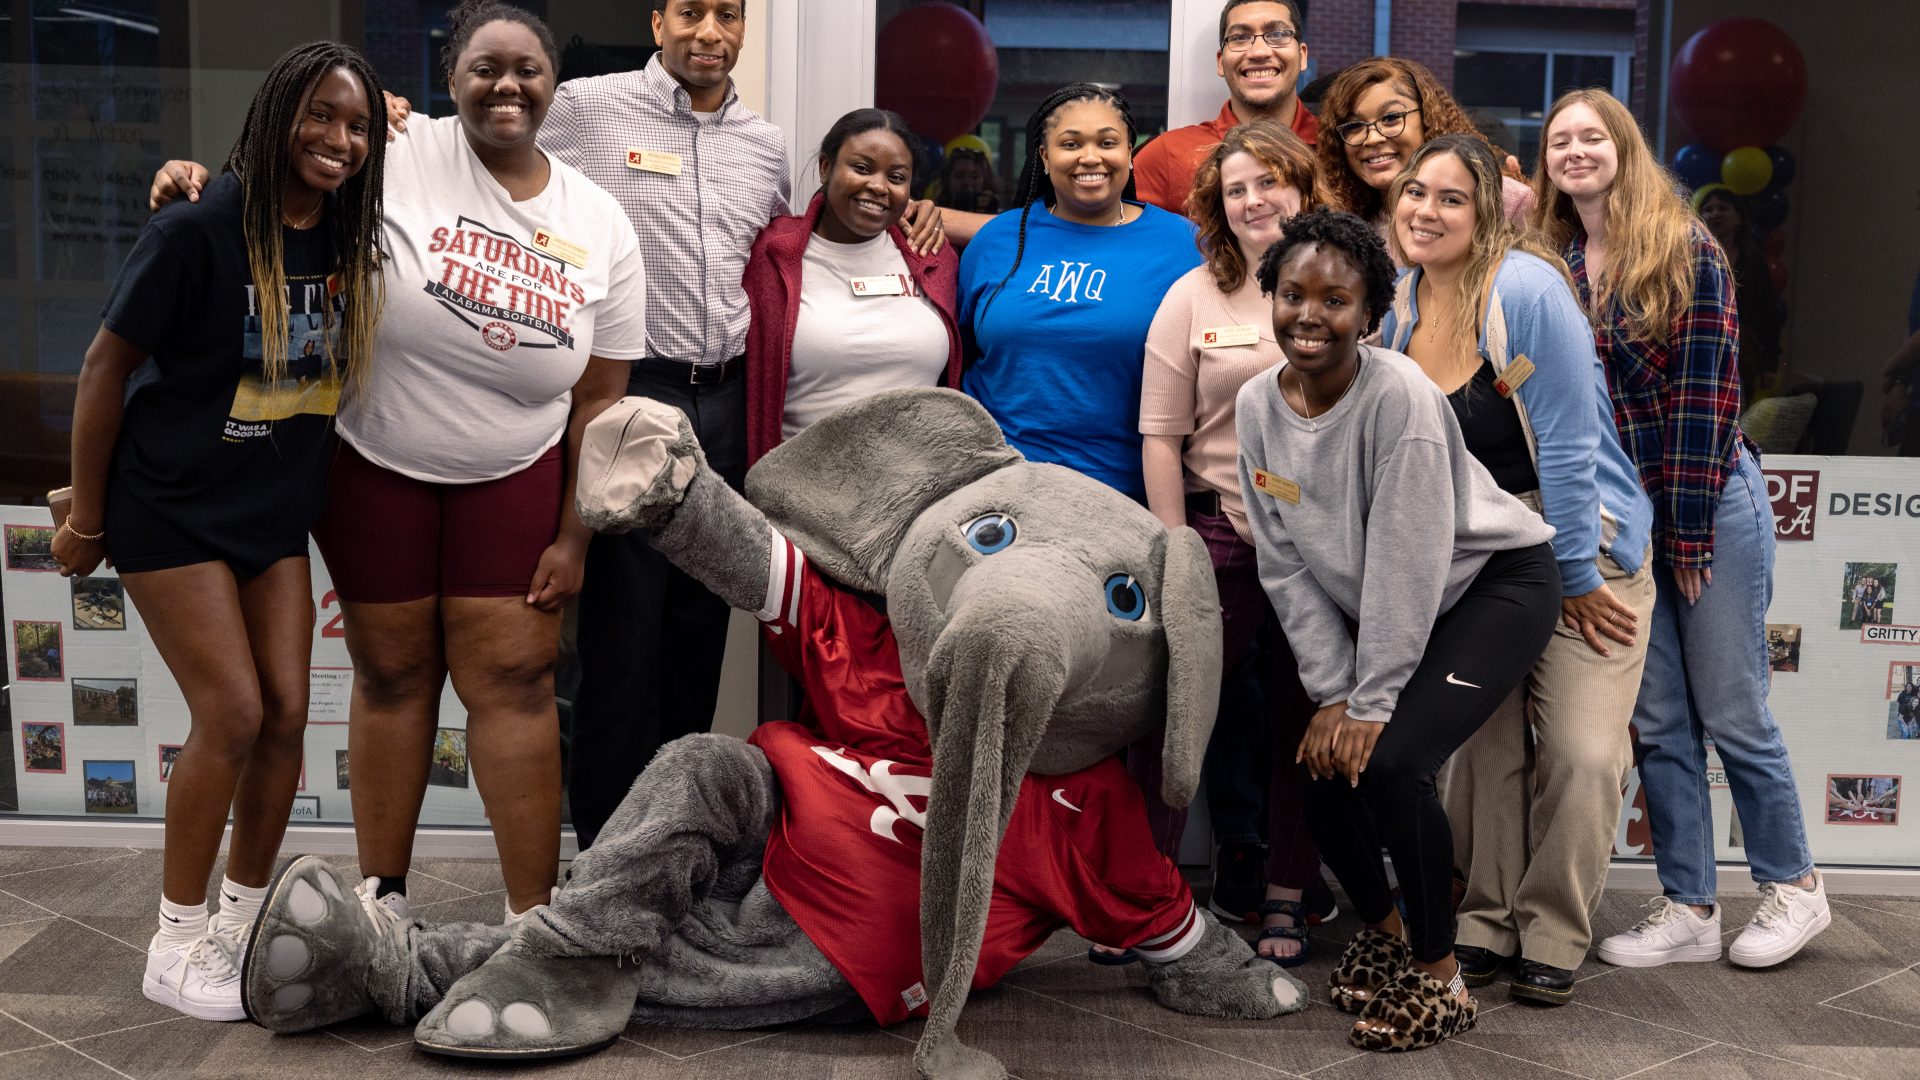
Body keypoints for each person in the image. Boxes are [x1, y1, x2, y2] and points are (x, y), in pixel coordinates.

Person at [153, 1, 654, 921]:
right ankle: (381, 898)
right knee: (391, 676)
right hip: (373, 464)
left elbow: (601, 406)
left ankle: (528, 915)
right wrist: (198, 175)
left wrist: (575, 537)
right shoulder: (393, 147)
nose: (507, 84)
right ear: (450, 77)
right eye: (484, 67)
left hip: (518, 474)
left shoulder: (603, 223)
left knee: (513, 681)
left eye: (527, 69)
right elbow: (280, 179)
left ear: (554, 86)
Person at [55, 41, 387, 1021]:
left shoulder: (347, 235)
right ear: (279, 110)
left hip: (271, 517)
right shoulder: (197, 229)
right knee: (234, 714)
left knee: (287, 714)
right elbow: (102, 371)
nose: (339, 138)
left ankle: (239, 927)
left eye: (358, 124)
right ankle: (176, 941)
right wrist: (89, 513)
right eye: (320, 115)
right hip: (170, 506)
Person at [1236, 207, 1560, 1051]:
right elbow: (1285, 562)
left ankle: (1441, 976)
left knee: (1395, 765)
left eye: (1335, 300)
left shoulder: (1400, 399)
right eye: (1293, 295)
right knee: (1317, 764)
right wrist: (1334, 695)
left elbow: (1409, 562)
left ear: (1369, 315)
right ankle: (1383, 931)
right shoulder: (1254, 407)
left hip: (1491, 585)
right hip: (1390, 602)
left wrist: (1370, 701)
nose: (1310, 316)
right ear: (1268, 297)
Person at [1534, 87, 1829, 970]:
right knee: (1660, 719)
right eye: (1560, 140)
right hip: (1620, 513)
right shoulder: (1557, 258)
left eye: (1593, 136)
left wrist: (1690, 536)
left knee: (1735, 710)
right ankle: (1691, 904)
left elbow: (1707, 403)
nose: (1576, 150)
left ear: (1626, 146)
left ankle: (1795, 887)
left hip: (1704, 499)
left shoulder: (1684, 247)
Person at [1379, 134, 1656, 1004]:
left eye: (1451, 198)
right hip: (1477, 557)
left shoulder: (1527, 290)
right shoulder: (1398, 306)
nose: (1426, 211)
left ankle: (1554, 928)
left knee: (1580, 752)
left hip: (1580, 547)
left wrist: (1577, 573)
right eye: (1414, 193)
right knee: (1482, 752)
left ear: (1488, 209)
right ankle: (1486, 919)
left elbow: (1571, 449)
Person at [1139, 120, 1327, 965]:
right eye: (1236, 189)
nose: (1254, 201)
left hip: (1324, 544)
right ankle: (1149, 898)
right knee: (1179, 714)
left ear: (1304, 189)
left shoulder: (1342, 287)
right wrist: (1177, 543)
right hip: (1217, 528)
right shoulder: (1193, 294)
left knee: (1308, 722)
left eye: (1269, 183)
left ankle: (1287, 895)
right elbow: (1158, 434)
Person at [743, 109, 963, 465]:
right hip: (803, 487)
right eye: (862, 168)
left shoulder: (932, 256)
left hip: (917, 489)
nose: (878, 186)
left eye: (896, 176)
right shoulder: (770, 255)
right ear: (826, 168)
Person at [1315, 57, 1532, 249]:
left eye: (1390, 118)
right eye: (1354, 126)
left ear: (1429, 118)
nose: (1373, 138)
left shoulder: (1507, 202)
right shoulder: (1345, 226)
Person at [1132, 1, 1319, 214]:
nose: (1259, 52)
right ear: (1221, 62)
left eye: (1277, 34)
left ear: (1302, 56)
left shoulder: (1340, 147)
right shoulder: (1167, 155)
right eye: (1240, 38)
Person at [1695, 186, 1783, 405]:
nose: (1714, 214)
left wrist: (1769, 364)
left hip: (1742, 351)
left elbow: (1769, 314)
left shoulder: (1752, 263)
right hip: (1698, 346)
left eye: (1722, 208)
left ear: (1738, 219)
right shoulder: (1689, 259)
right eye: (1708, 210)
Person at [932, 139, 1001, 215]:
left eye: (974, 177)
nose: (968, 183)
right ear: (947, 180)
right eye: (960, 176)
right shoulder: (937, 209)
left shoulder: (992, 207)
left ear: (984, 179)